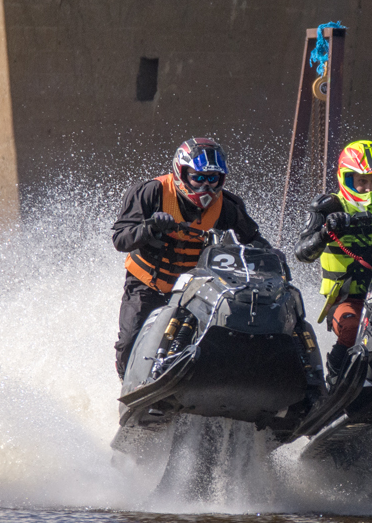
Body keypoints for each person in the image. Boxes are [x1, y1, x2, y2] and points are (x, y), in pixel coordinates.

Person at [111, 137, 269, 379]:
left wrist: (272, 259)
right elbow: (120, 239)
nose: (206, 187)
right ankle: (129, 387)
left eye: (212, 179)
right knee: (130, 339)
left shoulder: (227, 206)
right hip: (147, 284)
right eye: (199, 178)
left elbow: (254, 242)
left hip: (195, 289)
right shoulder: (152, 192)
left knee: (226, 330)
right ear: (182, 173)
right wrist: (150, 227)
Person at [294, 139, 372, 383]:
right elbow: (302, 254)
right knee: (353, 330)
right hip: (346, 298)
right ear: (346, 178)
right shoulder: (328, 206)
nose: (369, 189)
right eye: (361, 181)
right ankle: (333, 378)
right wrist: (325, 233)